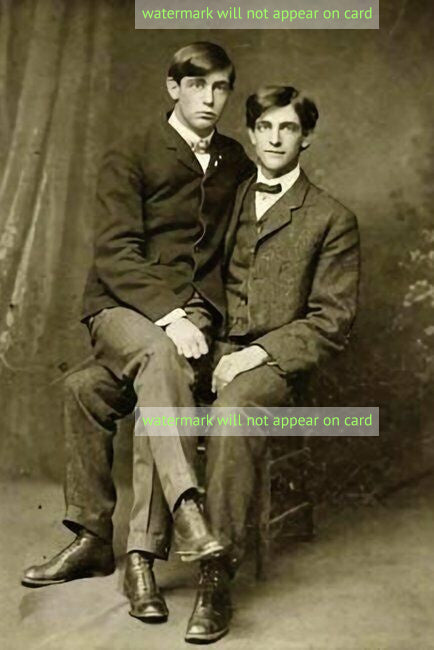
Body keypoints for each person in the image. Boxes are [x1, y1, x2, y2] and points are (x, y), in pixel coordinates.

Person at [22, 42, 253, 625]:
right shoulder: (129, 154)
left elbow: (238, 253)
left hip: (195, 318)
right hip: (123, 308)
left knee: (86, 388)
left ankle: (106, 545)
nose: (210, 98)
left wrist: (209, 318)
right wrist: (172, 316)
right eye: (198, 85)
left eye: (221, 87)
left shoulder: (236, 161)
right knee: (160, 355)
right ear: (173, 87)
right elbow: (116, 255)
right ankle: (183, 517)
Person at [184, 85, 360, 643]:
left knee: (233, 411)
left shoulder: (332, 217)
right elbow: (201, 275)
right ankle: (133, 550)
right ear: (253, 133)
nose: (275, 138)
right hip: (214, 345)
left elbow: (331, 322)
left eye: (288, 128)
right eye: (264, 127)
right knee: (126, 381)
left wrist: (254, 355)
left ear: (306, 136)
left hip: (277, 363)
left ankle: (217, 575)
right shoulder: (231, 197)